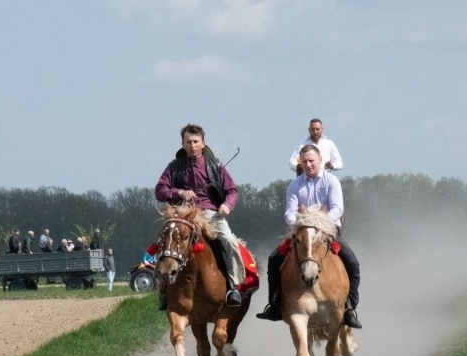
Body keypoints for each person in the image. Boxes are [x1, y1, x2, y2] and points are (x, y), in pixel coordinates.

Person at [257, 144, 362, 328]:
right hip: (301, 231)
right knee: (274, 259)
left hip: (327, 231)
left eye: (312, 161)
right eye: (304, 161)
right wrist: (302, 222)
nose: (308, 165)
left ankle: (350, 308)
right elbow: (289, 213)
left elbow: (338, 209)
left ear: (320, 160)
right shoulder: (294, 185)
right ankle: (274, 305)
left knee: (352, 263)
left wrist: (319, 222)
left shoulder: (331, 181)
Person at [154, 123, 244, 309]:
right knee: (165, 241)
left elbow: (232, 191)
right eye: (189, 142)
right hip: (182, 214)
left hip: (211, 214)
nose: (192, 145)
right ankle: (163, 290)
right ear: (183, 144)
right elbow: (159, 191)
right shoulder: (173, 167)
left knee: (229, 240)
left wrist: (227, 206)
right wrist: (179, 193)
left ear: (203, 143)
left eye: (196, 141)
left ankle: (234, 287)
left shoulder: (215, 166)